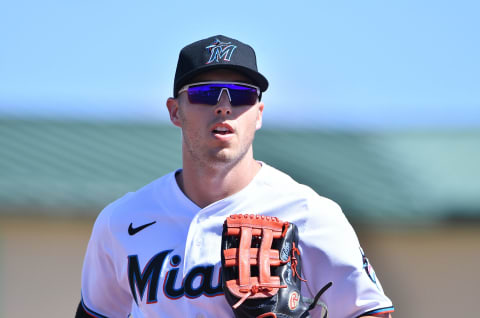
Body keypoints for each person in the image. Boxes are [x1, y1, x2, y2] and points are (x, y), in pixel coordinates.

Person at [76, 35, 394, 318]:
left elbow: (371, 312)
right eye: (206, 93)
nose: (225, 106)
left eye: (242, 95)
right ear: (175, 111)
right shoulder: (122, 221)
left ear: (258, 113)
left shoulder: (309, 214)